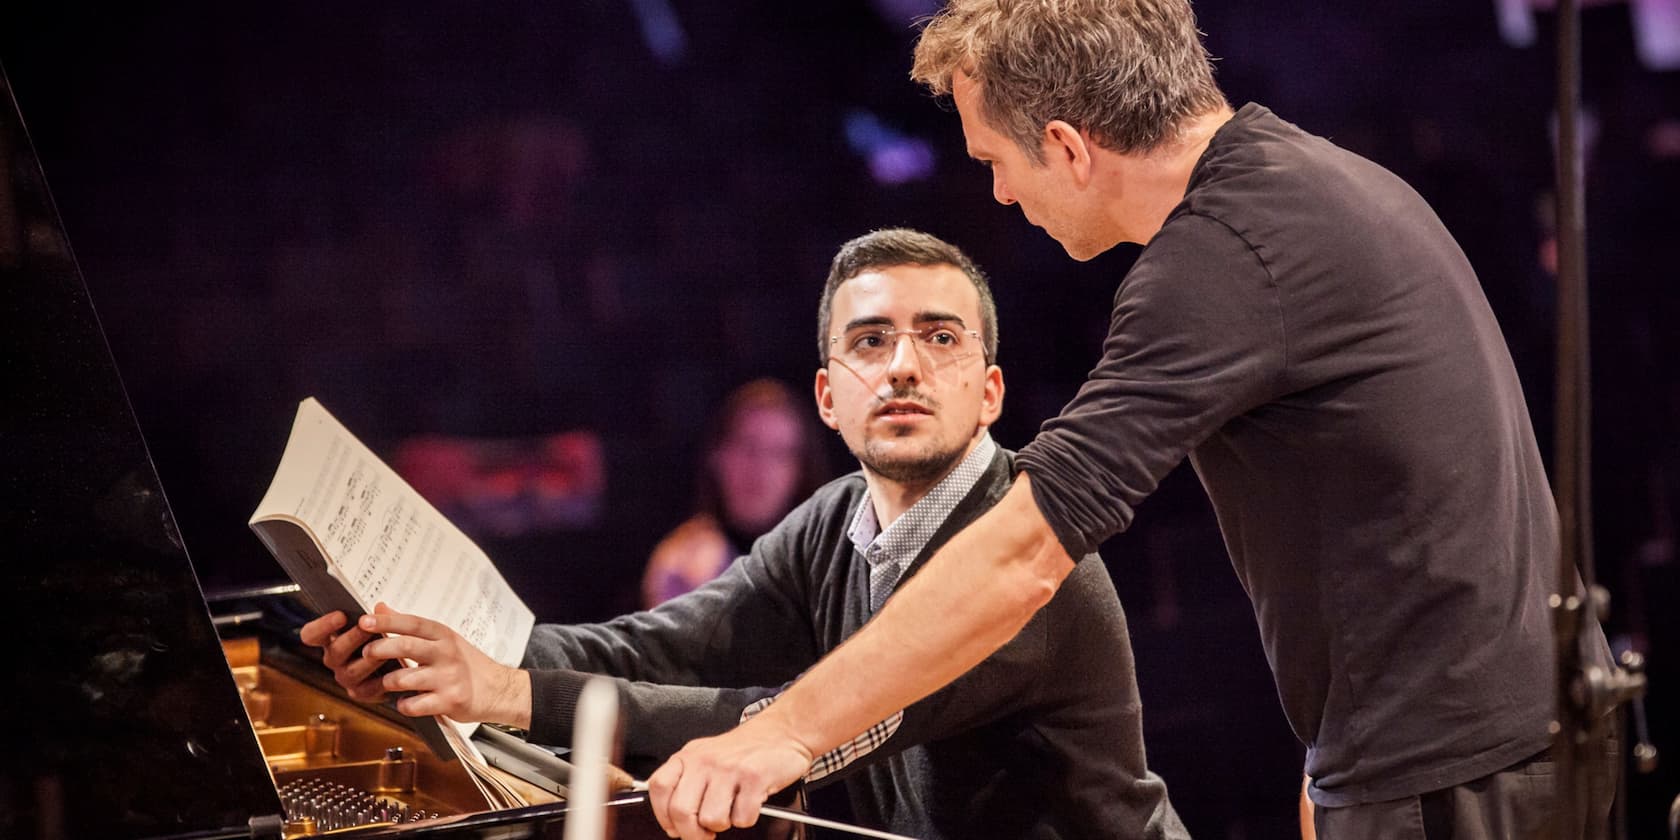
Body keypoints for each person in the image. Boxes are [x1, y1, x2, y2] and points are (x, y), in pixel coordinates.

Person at [645, 2, 1617, 839]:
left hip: (1461, 780)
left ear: (1067, 146)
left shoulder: (1217, 258)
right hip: (1501, 751)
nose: (997, 192)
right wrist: (1333, 766)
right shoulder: (1311, 183)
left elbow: (1022, 551)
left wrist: (782, 733)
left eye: (994, 159)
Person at [300, 228, 1188, 839]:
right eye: (870, 341)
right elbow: (660, 650)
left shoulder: (1022, 559)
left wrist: (505, 691)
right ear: (828, 398)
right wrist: (448, 650)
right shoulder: (833, 521)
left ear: (989, 391)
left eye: (940, 338)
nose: (905, 366)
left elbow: (784, 726)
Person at [640, 378, 829, 609]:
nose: (761, 468)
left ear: (800, 471)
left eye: (780, 453)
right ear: (716, 456)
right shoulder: (682, 565)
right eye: (748, 446)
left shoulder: (826, 562)